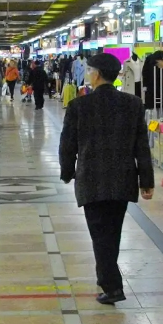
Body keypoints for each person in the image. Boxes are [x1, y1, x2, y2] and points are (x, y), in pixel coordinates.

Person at [59, 53, 154, 305]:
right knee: (112, 232)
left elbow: (67, 145)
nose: (88, 74)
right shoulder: (133, 104)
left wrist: (67, 172)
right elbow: (141, 146)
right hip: (122, 179)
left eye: (89, 70)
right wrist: (146, 181)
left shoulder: (79, 106)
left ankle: (112, 287)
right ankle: (108, 280)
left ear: (97, 74)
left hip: (91, 179)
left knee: (100, 234)